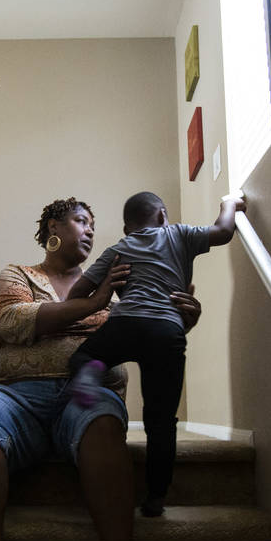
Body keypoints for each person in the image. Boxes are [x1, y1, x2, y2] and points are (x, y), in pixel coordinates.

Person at [0, 197, 202, 541]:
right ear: (53, 228)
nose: (89, 230)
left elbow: (134, 329)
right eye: (81, 221)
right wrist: (93, 305)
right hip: (15, 396)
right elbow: (10, 320)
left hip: (85, 395)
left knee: (104, 423)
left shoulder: (113, 276)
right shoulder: (20, 274)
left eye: (93, 224)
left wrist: (178, 320)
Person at [66, 191, 247, 517]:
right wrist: (229, 204)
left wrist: (107, 285)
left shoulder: (119, 249)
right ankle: (156, 498)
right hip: (166, 332)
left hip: (125, 324)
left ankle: (93, 371)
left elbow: (78, 294)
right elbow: (222, 232)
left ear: (126, 227)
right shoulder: (178, 233)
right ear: (163, 215)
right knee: (161, 421)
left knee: (81, 359)